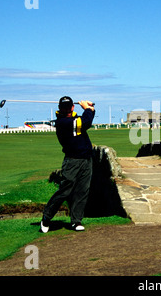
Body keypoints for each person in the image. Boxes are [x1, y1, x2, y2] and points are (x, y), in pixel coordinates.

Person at [40, 96, 95, 233]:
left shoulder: (73, 119)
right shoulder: (62, 122)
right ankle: (46, 218)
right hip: (72, 161)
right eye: (63, 107)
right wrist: (88, 108)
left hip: (86, 159)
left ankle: (76, 221)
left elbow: (86, 118)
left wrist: (90, 109)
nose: (66, 109)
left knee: (82, 190)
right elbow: (86, 121)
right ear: (60, 109)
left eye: (68, 107)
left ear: (72, 107)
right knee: (65, 191)